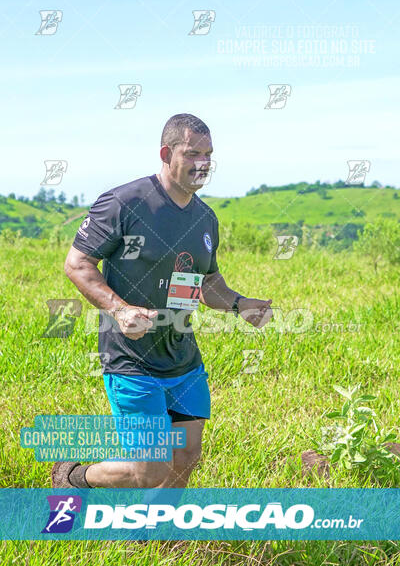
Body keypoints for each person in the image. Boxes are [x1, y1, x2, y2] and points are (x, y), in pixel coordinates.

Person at [51, 113, 273, 489]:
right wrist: (119, 310)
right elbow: (77, 263)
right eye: (192, 153)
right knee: (149, 470)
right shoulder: (125, 202)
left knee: (186, 457)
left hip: (183, 359)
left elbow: (207, 284)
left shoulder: (205, 218)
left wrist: (240, 304)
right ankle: (74, 477)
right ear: (166, 153)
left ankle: (157, 531)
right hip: (131, 359)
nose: (202, 163)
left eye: (208, 154)